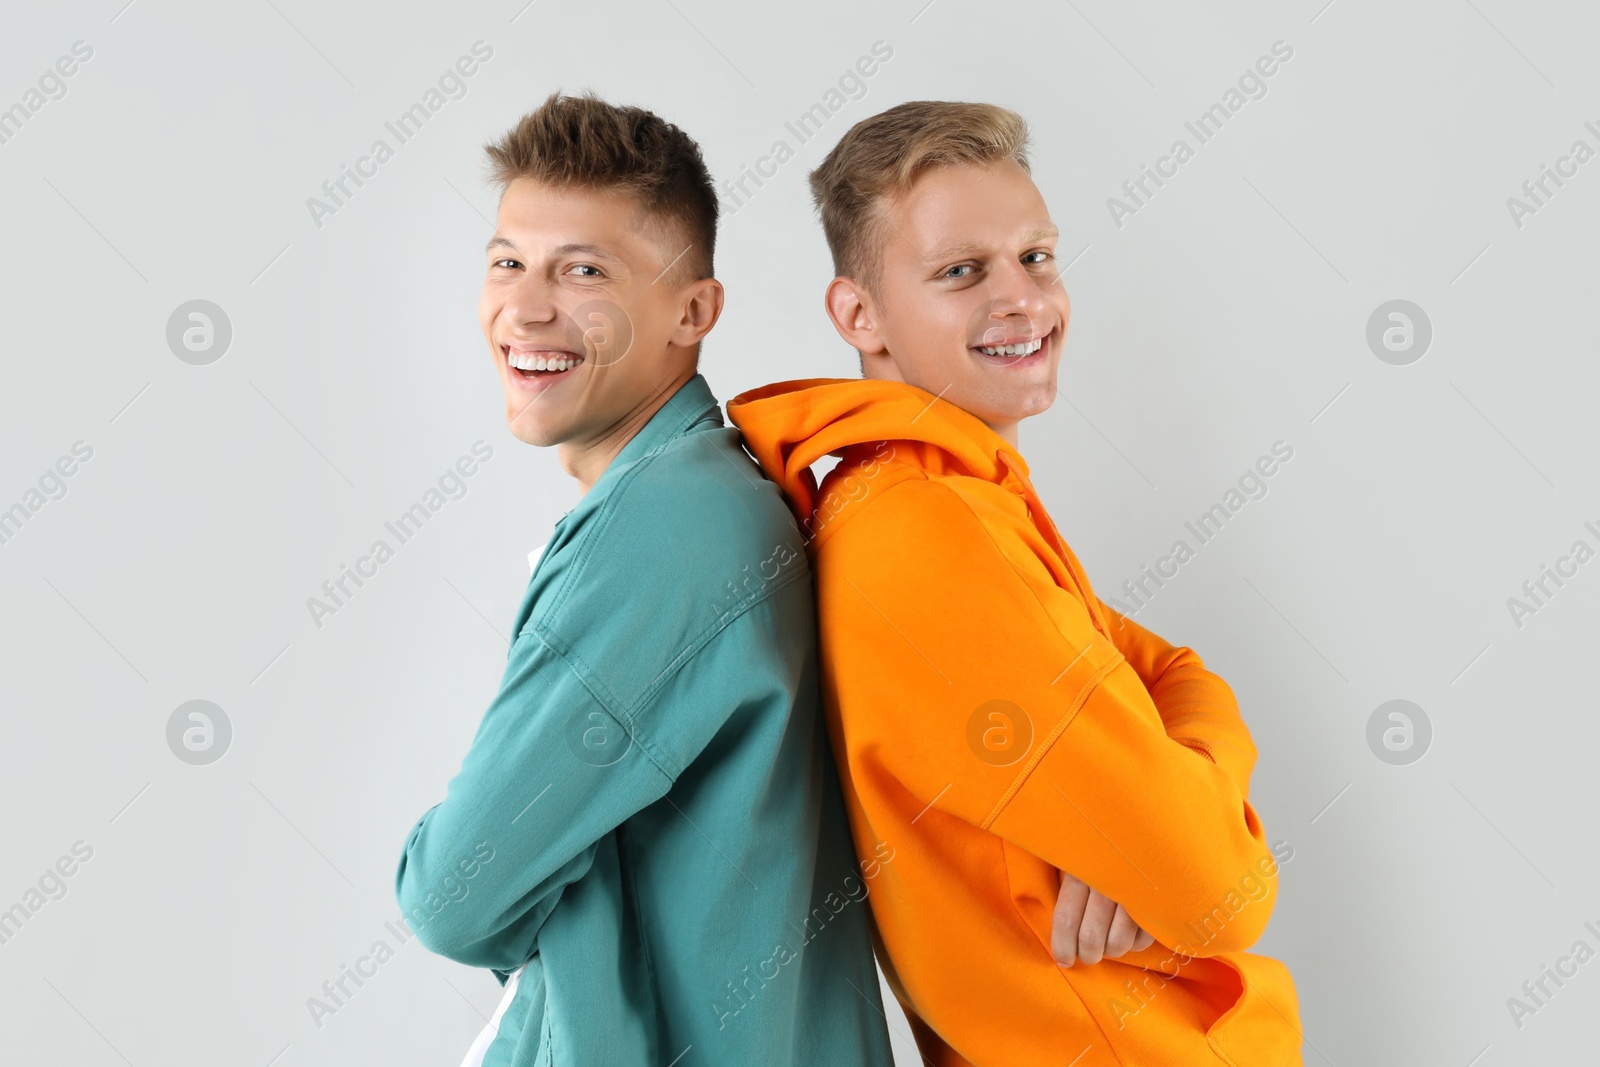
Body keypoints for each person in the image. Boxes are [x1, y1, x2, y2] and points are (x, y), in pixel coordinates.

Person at [727, 100, 1304, 1065]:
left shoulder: (957, 502)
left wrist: (1148, 817)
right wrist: (1168, 817)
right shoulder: (929, 533)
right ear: (856, 314)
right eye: (961, 271)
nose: (1024, 299)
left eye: (1035, 255)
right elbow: (1223, 887)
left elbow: (1182, 671)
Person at [394, 90, 893, 1067]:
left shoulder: (666, 529)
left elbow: (453, 891)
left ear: (692, 309)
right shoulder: (703, 493)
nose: (525, 308)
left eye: (583, 270)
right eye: (507, 263)